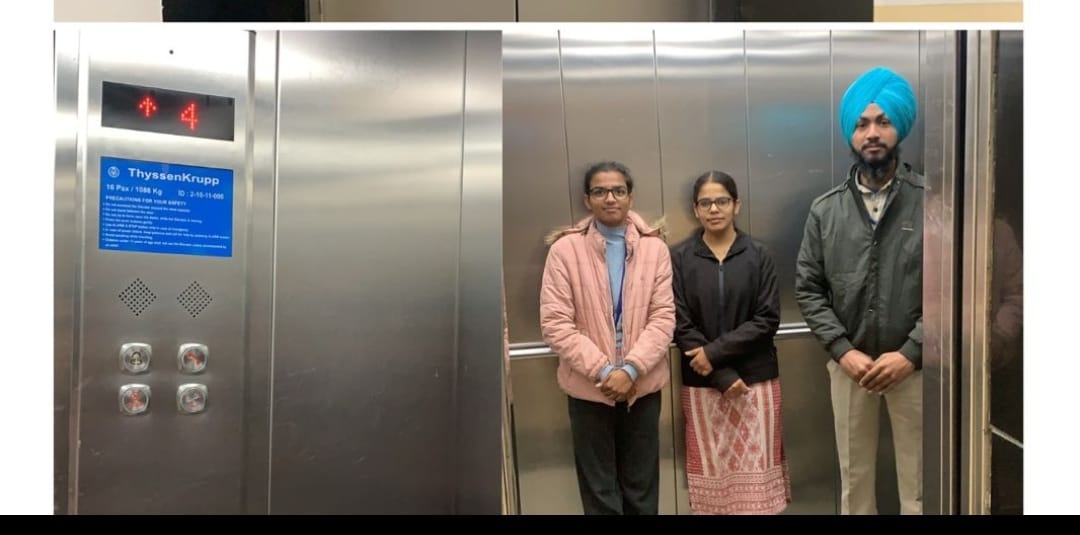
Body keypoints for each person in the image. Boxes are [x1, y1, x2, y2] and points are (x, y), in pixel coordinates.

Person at [795, 66, 924, 515]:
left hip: (916, 368)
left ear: (899, 127)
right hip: (851, 368)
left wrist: (912, 352)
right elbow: (808, 289)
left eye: (883, 121)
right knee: (854, 483)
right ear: (850, 134)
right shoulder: (825, 211)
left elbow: (952, 291)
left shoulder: (934, 201)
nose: (872, 133)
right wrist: (842, 351)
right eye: (861, 123)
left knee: (920, 487)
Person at [539, 161, 675, 515]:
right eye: (600, 191)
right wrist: (604, 372)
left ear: (630, 197)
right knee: (599, 491)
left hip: (642, 386)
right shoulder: (564, 251)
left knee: (641, 488)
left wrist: (630, 370)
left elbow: (663, 318)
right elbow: (555, 324)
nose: (609, 198)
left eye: (618, 190)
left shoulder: (655, 250)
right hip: (589, 388)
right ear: (588, 200)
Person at [670, 171, 791, 515]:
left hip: (756, 382)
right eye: (705, 203)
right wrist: (720, 373)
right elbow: (680, 323)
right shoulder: (680, 258)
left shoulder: (760, 254)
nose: (714, 209)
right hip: (703, 383)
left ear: (736, 205)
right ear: (695, 209)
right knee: (713, 486)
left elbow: (767, 319)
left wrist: (713, 353)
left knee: (758, 484)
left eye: (721, 201)